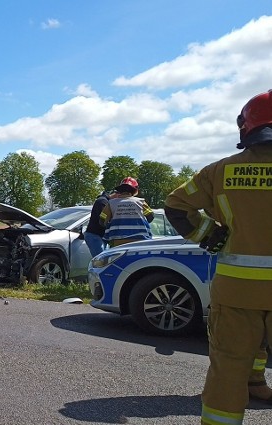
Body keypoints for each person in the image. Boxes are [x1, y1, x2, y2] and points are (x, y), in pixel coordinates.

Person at [164, 89, 272, 423]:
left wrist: (210, 235)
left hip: (237, 291)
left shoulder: (220, 171)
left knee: (228, 368)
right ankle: (256, 384)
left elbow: (176, 205)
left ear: (246, 127)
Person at [99, 177, 154, 248]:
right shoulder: (140, 202)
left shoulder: (111, 203)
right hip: (139, 241)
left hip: (117, 241)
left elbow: (102, 220)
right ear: (135, 190)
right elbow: (150, 217)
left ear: (120, 190)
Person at [83, 189, 115, 257]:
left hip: (99, 236)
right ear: (116, 194)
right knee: (101, 261)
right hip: (95, 235)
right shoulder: (103, 202)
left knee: (104, 260)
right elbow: (103, 219)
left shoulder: (104, 201)